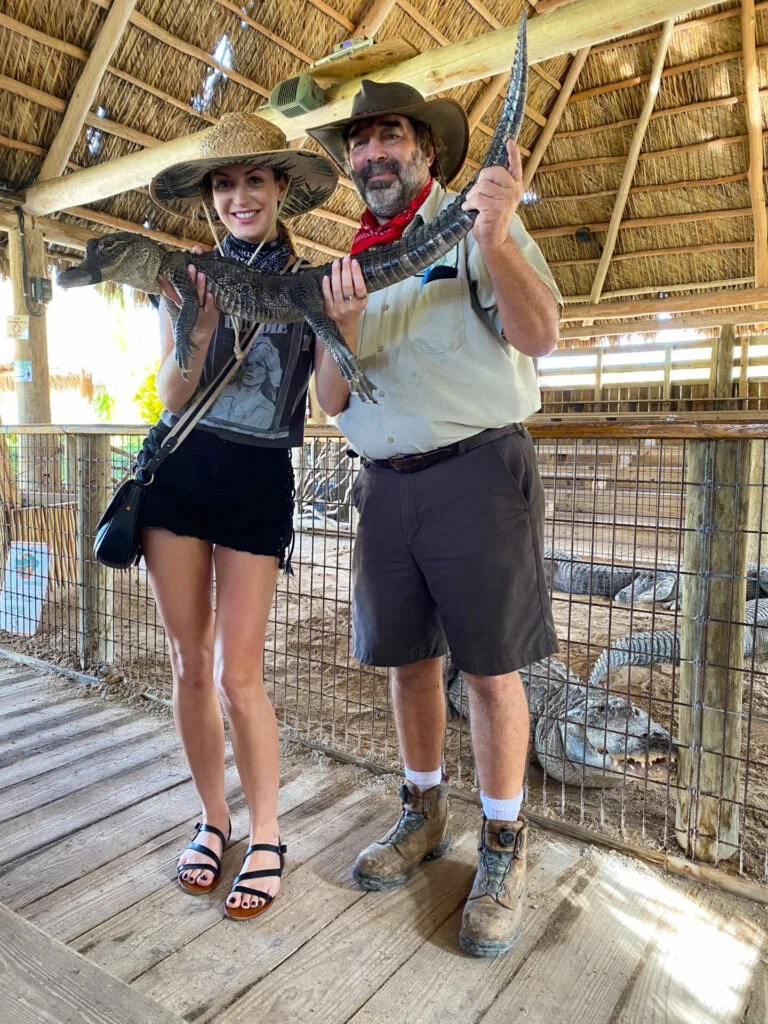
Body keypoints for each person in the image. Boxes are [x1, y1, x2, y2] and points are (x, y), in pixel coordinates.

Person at [309, 80, 562, 956]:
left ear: (425, 150)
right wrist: (338, 325)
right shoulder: (347, 264)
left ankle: (504, 844)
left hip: (476, 475)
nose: (374, 154)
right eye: (362, 143)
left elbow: (540, 335)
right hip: (383, 483)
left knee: (491, 672)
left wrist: (495, 239)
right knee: (409, 663)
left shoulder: (475, 222)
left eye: (391, 138)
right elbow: (331, 400)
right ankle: (423, 811)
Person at [143, 113, 346, 920]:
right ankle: (212, 818)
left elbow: (328, 398)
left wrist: (346, 321)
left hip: (260, 476)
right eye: (223, 185)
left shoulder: (315, 285)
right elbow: (169, 396)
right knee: (189, 665)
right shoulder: (185, 275)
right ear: (209, 199)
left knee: (238, 674)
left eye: (253, 180)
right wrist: (193, 334)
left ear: (281, 189)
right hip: (183, 473)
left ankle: (266, 833)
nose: (237, 197)